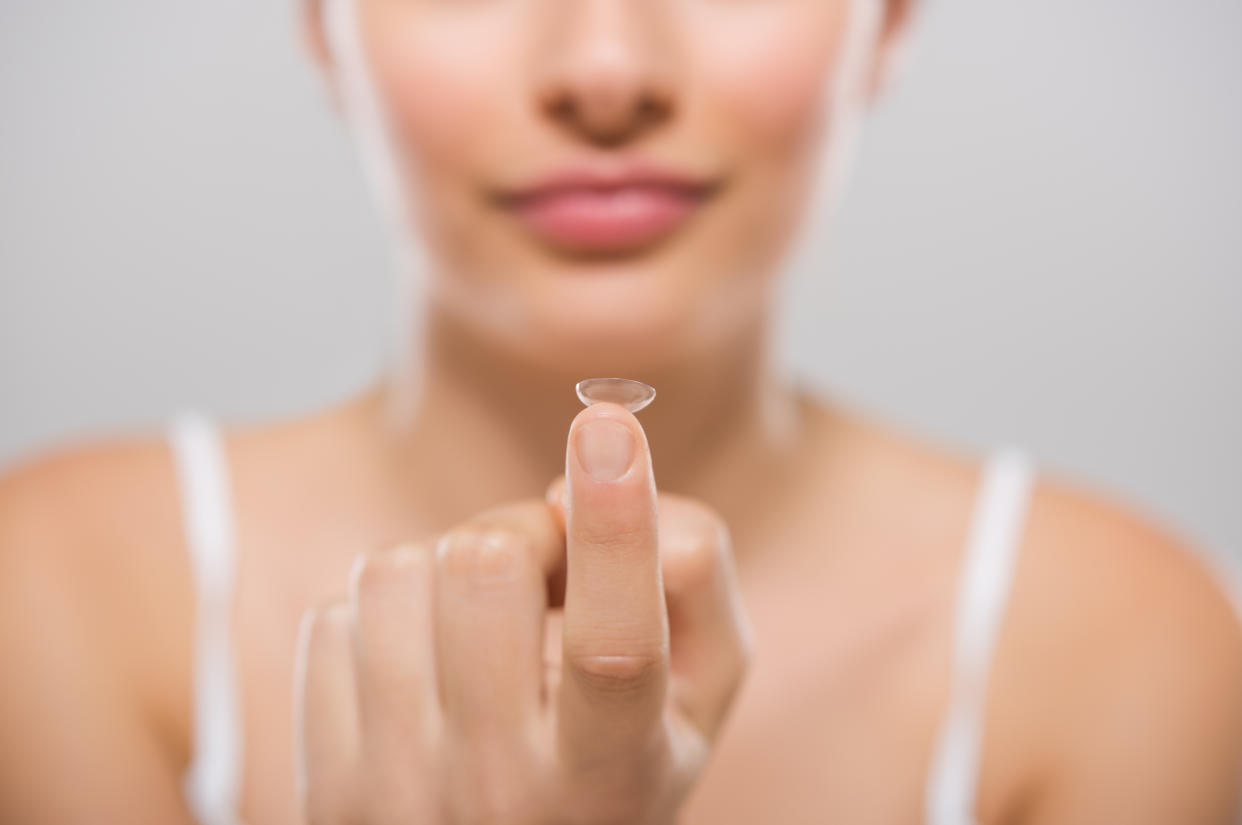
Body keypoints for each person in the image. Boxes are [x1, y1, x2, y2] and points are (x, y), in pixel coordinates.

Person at [2, 0, 1240, 823]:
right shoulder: (51, 597)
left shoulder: (1123, 649)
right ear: (323, 26)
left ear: (892, 19)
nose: (605, 73)